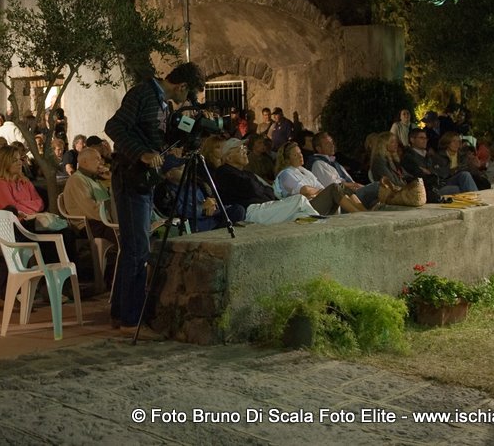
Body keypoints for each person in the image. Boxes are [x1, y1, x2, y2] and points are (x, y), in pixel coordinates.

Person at [104, 61, 205, 336]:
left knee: (135, 248)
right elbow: (114, 126)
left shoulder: (163, 104)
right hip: (130, 177)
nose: (188, 99)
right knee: (138, 250)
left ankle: (120, 313)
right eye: (190, 93)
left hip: (143, 180)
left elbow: (154, 142)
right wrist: (143, 154)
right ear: (182, 86)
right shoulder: (143, 94)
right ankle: (130, 322)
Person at [213, 138, 315, 223]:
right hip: (250, 212)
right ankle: (324, 227)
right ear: (229, 158)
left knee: (301, 215)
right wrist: (259, 189)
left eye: (244, 148)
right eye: (240, 150)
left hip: (265, 207)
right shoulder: (223, 172)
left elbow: (269, 191)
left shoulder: (247, 174)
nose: (245, 151)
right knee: (300, 200)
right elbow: (251, 188)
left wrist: (259, 188)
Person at [273, 141, 366, 215]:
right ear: (287, 159)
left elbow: (320, 188)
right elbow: (305, 190)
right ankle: (358, 214)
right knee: (334, 188)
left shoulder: (305, 172)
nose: (300, 156)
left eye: (300, 153)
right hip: (303, 208)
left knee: (342, 187)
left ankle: (365, 212)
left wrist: (317, 192)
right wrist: (319, 192)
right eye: (295, 155)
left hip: (314, 201)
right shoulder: (285, 174)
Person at [309, 131, 380, 209]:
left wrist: (356, 186)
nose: (332, 146)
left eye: (332, 143)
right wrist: (355, 185)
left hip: (353, 193)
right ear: (319, 149)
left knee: (377, 201)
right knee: (378, 186)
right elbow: (334, 186)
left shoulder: (333, 162)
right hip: (344, 199)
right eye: (327, 144)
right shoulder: (318, 164)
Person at [62, 147, 118, 243]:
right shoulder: (77, 180)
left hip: (103, 220)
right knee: (127, 234)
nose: (101, 162)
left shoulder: (94, 177)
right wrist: (115, 215)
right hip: (90, 224)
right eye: (97, 159)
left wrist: (111, 179)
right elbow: (91, 210)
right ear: (84, 162)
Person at [401, 127, 479, 196]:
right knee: (459, 188)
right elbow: (421, 174)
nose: (425, 141)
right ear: (412, 140)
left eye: (426, 138)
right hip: (430, 188)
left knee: (465, 176)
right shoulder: (409, 157)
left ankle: (478, 202)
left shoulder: (428, 155)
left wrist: (431, 172)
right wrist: (432, 172)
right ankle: (477, 205)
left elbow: (434, 171)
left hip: (440, 183)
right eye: (421, 138)